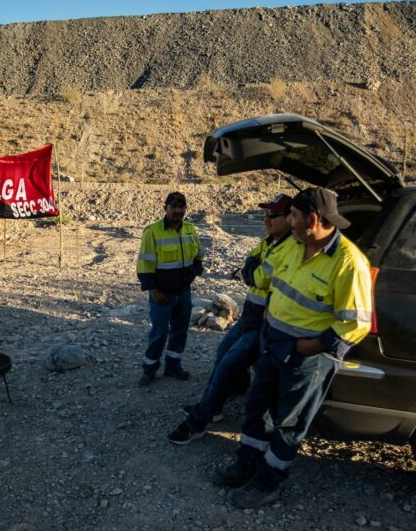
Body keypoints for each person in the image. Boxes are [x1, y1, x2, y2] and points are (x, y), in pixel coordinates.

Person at [213, 187, 373, 509]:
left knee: (289, 423)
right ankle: (247, 463)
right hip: (272, 343)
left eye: (294, 216)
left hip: (306, 359)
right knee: (256, 406)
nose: (289, 220)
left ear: (312, 220)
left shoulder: (349, 264)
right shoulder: (293, 246)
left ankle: (268, 482)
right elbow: (267, 281)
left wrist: (308, 346)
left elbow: (356, 324)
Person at [167, 194, 295, 445]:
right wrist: (251, 268)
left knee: (229, 365)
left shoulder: (290, 248)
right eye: (265, 215)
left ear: (291, 219)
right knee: (222, 355)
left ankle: (198, 420)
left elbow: (255, 276)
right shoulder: (270, 241)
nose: (266, 219)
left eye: (273, 215)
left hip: (264, 320)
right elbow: (249, 267)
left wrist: (251, 269)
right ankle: (212, 407)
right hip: (250, 314)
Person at [136, 191, 205, 386]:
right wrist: (154, 291)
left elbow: (199, 255)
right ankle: (149, 369)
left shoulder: (190, 229)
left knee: (180, 330)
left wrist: (194, 273)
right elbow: (144, 265)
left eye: (181, 206)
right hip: (162, 294)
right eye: (174, 206)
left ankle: (173, 366)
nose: (178, 210)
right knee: (159, 332)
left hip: (184, 292)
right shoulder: (153, 232)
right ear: (165, 208)